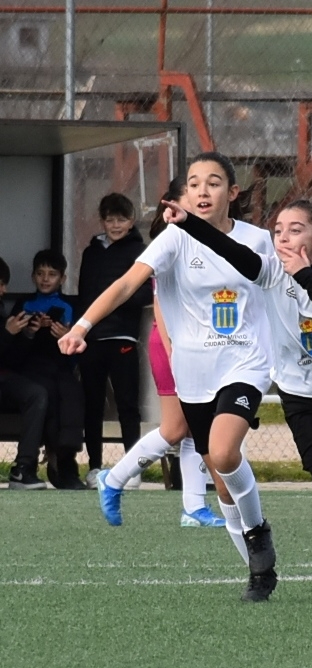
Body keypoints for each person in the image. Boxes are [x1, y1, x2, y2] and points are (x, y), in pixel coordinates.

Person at [60, 151, 280, 602]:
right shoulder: (174, 240)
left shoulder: (258, 241)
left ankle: (259, 535)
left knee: (222, 452)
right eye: (195, 182)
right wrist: (82, 326)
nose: (203, 190)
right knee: (223, 482)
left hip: (245, 363)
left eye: (214, 182)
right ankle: (259, 574)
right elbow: (125, 284)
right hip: (194, 371)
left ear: (232, 194)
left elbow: (279, 290)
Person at [163, 197, 312, 614]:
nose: (284, 236)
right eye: (279, 229)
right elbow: (231, 250)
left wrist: (305, 275)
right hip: (300, 398)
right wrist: (190, 224)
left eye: (296, 229)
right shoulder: (268, 272)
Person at [84, 177, 225, 528]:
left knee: (195, 428)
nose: (201, 197)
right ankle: (113, 479)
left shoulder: (201, 241)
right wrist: (175, 347)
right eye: (192, 193)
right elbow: (159, 300)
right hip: (172, 345)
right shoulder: (170, 243)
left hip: (196, 347)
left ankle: (193, 507)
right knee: (176, 428)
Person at [77, 192, 152, 483]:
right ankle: (94, 467)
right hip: (92, 339)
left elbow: (146, 291)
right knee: (92, 404)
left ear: (131, 221)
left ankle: (131, 469)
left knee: (127, 404)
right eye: (110, 220)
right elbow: (85, 293)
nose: (116, 225)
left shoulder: (139, 251)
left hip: (123, 336)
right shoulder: (91, 252)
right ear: (102, 221)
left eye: (121, 219)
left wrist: (119, 299)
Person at [13, 249, 86, 490]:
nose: (46, 279)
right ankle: (41, 464)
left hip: (60, 369)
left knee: (72, 394)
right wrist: (29, 333)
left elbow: (78, 352)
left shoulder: (69, 306)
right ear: (33, 276)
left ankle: (65, 461)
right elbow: (12, 353)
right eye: (41, 274)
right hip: (31, 371)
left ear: (63, 279)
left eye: (52, 274)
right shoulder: (23, 305)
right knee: (47, 393)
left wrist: (66, 337)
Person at [0, 256, 49, 489]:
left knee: (36, 393)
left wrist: (27, 335)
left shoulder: (3, 313)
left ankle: (24, 468)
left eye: (3, 284)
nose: (3, 290)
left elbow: (12, 361)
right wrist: (7, 335)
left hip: (4, 379)